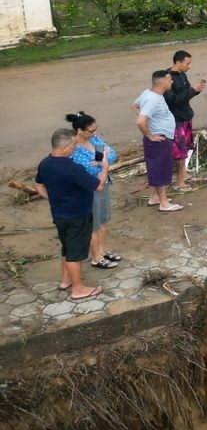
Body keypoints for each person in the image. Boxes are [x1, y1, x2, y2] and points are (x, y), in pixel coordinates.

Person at [35, 127, 106, 301]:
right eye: (74, 144)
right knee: (75, 253)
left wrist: (52, 198)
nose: (75, 147)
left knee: (67, 248)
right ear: (65, 147)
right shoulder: (72, 168)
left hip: (59, 215)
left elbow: (38, 186)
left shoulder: (45, 163)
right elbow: (98, 186)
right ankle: (78, 289)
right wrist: (104, 167)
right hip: (78, 215)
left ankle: (65, 281)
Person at [66, 111, 119, 270]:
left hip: (102, 184)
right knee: (93, 225)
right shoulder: (74, 147)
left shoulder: (94, 139)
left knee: (102, 220)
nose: (94, 133)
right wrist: (102, 162)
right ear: (80, 130)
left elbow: (112, 154)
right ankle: (96, 257)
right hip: (88, 189)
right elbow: (85, 168)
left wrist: (101, 162)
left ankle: (101, 251)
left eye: (95, 129)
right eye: (91, 130)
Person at [136, 69, 183, 212]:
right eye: (170, 79)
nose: (172, 82)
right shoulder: (153, 99)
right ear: (162, 82)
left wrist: (151, 121)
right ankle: (164, 203)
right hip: (158, 139)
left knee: (156, 168)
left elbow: (135, 105)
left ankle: (155, 197)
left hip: (160, 137)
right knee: (160, 170)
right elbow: (140, 121)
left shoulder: (148, 93)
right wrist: (150, 134)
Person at [165, 49, 206, 194]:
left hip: (186, 115)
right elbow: (172, 100)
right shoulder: (168, 78)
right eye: (187, 63)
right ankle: (179, 181)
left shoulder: (182, 75)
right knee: (179, 151)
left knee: (186, 147)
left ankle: (184, 174)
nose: (189, 66)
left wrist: (196, 90)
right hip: (176, 119)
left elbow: (186, 94)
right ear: (178, 62)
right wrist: (191, 91)